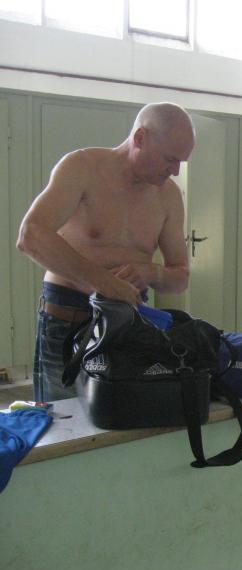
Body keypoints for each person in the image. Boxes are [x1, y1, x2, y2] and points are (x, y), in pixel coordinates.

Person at [17, 102, 195, 401]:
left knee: (122, 416)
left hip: (127, 326)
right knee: (62, 421)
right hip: (66, 321)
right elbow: (31, 235)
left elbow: (180, 279)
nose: (175, 171)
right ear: (140, 138)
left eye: (181, 162)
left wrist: (151, 272)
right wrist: (104, 282)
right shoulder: (82, 167)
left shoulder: (169, 197)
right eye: (170, 159)